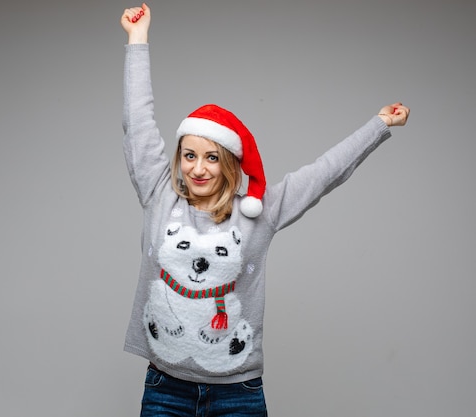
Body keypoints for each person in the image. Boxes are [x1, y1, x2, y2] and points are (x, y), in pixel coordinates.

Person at [120, 4, 410, 416]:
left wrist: (378, 126)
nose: (198, 168)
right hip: (165, 388)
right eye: (189, 155)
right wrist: (137, 39)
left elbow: (324, 173)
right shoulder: (158, 193)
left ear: (229, 163)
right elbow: (139, 122)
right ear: (178, 157)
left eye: (211, 157)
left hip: (237, 394)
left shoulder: (259, 212)